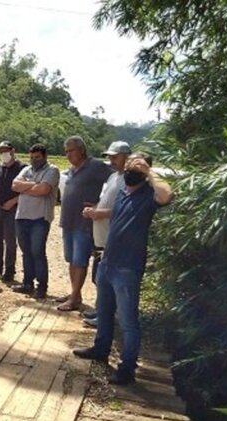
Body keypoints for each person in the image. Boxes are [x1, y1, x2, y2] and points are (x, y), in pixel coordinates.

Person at [73, 157, 175, 385]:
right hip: (108, 261)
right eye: (129, 166)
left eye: (135, 168)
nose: (129, 171)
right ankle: (101, 349)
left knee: (128, 322)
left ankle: (127, 369)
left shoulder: (148, 196)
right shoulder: (123, 192)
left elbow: (167, 195)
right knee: (104, 312)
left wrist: (148, 171)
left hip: (128, 267)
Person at [57, 135, 113, 312]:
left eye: (71, 151)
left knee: (80, 261)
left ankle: (74, 299)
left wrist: (100, 204)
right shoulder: (72, 170)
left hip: (84, 223)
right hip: (68, 221)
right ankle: (75, 293)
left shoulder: (96, 166)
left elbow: (116, 183)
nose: (68, 155)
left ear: (81, 150)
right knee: (71, 260)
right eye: (66, 152)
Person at [81, 141, 130, 328]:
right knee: (99, 278)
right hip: (101, 236)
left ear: (127, 157)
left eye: (115, 157)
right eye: (109, 157)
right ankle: (102, 311)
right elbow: (107, 201)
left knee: (106, 279)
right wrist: (95, 209)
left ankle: (108, 316)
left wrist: (98, 213)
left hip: (113, 237)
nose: (111, 161)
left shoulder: (129, 180)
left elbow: (123, 209)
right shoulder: (113, 177)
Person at [11, 144, 60, 299]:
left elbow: (44, 190)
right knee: (26, 252)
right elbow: (14, 185)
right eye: (31, 157)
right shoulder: (27, 170)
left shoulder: (52, 170)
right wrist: (34, 186)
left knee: (37, 252)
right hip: (22, 217)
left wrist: (25, 187)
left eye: (37, 157)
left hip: (40, 219)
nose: (34, 160)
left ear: (44, 156)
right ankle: (27, 284)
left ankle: (41, 287)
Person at [0, 141, 26, 282]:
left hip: (12, 210)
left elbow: (26, 190)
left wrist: (14, 201)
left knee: (10, 241)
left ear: (13, 151)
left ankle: (9, 271)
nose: (3, 154)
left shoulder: (22, 168)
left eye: (6, 150)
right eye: (1, 151)